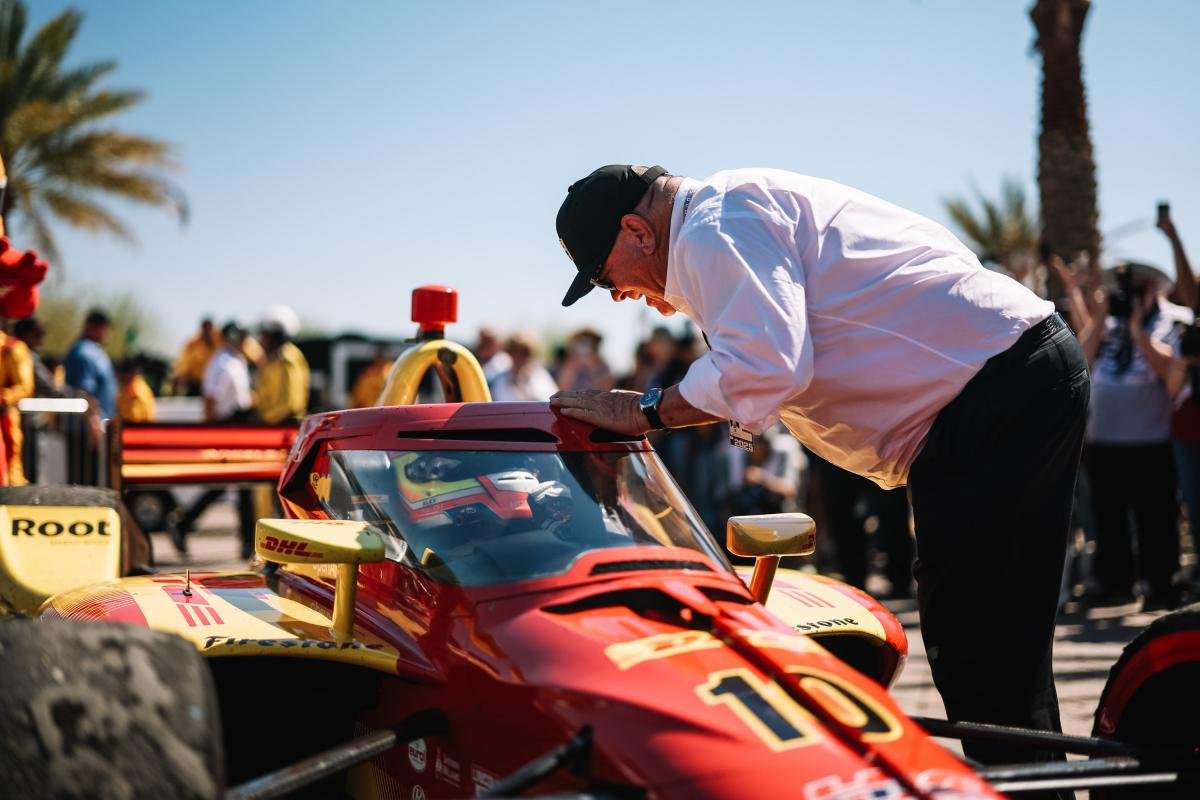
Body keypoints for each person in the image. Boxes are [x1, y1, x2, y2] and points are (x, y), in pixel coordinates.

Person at [550, 164, 1089, 778]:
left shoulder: (709, 230)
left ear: (637, 231)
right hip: (1005, 383)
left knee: (980, 647)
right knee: (996, 650)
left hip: (994, 392)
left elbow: (766, 366)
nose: (616, 295)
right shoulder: (727, 215)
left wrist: (644, 410)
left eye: (603, 276)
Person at [167, 320, 257, 559]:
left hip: (238, 425)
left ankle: (186, 523)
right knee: (241, 483)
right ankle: (248, 542)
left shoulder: (236, 360)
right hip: (227, 426)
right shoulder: (222, 362)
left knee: (230, 483)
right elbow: (210, 399)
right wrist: (214, 432)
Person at [254, 305, 310, 424]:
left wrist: (263, 421)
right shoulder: (273, 359)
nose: (260, 340)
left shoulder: (287, 358)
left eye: (264, 335)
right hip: (273, 425)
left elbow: (289, 404)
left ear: (276, 336)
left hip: (284, 427)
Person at [0, 320, 34, 484]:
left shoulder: (12, 348)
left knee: (9, 473)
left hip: (4, 418)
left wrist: (5, 397)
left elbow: (25, 386)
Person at [490, 333, 558, 401]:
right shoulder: (499, 380)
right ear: (510, 353)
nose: (519, 357)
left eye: (524, 353)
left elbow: (551, 400)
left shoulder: (540, 376)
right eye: (515, 351)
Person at [171, 318, 221, 397]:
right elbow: (182, 366)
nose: (208, 333)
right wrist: (178, 376)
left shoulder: (221, 342)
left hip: (217, 386)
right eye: (205, 330)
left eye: (210, 330)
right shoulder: (193, 344)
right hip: (196, 386)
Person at [116, 357, 156, 423]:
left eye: (121, 374)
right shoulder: (126, 388)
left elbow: (135, 418)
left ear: (130, 374)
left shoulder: (137, 390)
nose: (119, 377)